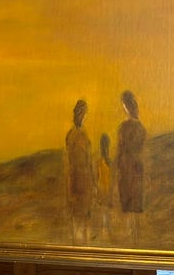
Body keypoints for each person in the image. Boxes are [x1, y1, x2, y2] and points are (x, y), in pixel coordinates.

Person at [116, 90, 146, 245]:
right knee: (133, 205)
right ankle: (135, 241)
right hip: (134, 168)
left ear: (127, 106)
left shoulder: (124, 127)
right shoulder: (140, 127)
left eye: (124, 105)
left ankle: (132, 242)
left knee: (129, 204)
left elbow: (120, 150)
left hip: (128, 169)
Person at [65, 99, 94, 244]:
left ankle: (83, 244)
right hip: (77, 178)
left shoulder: (78, 134)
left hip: (83, 178)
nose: (84, 116)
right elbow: (71, 161)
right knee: (78, 213)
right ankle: (79, 243)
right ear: (80, 114)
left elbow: (88, 159)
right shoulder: (74, 135)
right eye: (83, 113)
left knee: (83, 213)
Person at [96, 133, 113, 241]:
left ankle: (106, 230)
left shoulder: (104, 162)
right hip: (103, 189)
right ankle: (105, 230)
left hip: (105, 189)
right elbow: (97, 177)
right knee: (104, 210)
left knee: (105, 210)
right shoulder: (102, 162)